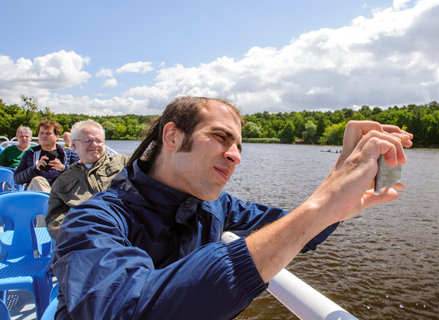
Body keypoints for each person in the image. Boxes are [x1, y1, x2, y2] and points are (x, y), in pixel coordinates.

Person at [51, 97, 413, 319]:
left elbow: (292, 229)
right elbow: (121, 310)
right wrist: (323, 204)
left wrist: (336, 197)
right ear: (172, 136)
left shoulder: (215, 206)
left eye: (239, 145)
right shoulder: (92, 220)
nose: (235, 155)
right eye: (221, 137)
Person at [46, 119, 130, 241]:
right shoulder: (63, 182)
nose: (95, 145)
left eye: (99, 141)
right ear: (74, 145)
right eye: (88, 141)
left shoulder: (125, 163)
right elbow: (54, 221)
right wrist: (83, 232)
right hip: (88, 241)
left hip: (130, 232)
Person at [14, 120, 79, 193]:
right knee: (37, 180)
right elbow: (17, 179)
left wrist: (63, 168)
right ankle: (51, 201)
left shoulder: (69, 154)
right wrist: (35, 169)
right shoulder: (29, 154)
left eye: (48, 133)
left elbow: (80, 175)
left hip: (61, 191)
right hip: (37, 195)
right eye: (41, 133)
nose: (43, 136)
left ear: (56, 137)